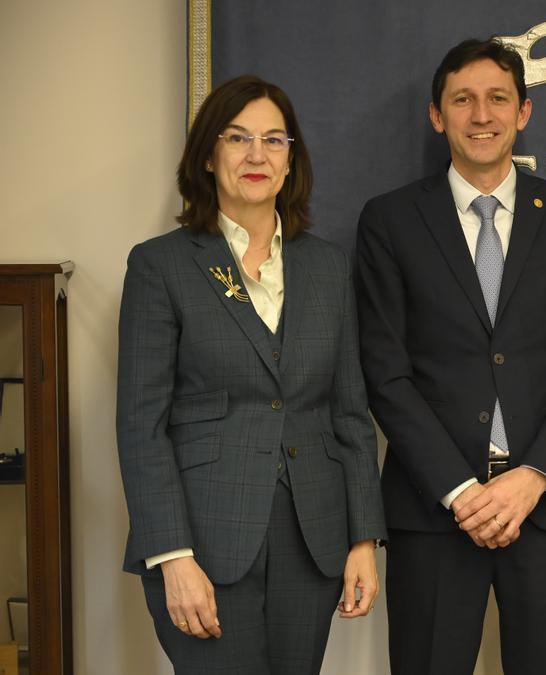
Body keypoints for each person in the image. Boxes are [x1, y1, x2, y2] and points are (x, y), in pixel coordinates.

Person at [355, 38, 546, 675]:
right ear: (436, 116)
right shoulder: (390, 222)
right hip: (435, 512)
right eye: (463, 100)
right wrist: (460, 491)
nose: (482, 115)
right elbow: (386, 373)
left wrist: (533, 478)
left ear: (523, 112)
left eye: (498, 99)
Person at [116, 75, 386, 674]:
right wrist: (172, 555)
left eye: (273, 140)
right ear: (209, 156)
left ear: (292, 160)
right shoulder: (161, 265)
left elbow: (349, 413)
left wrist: (364, 538)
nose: (256, 155)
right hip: (204, 542)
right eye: (237, 138)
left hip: (311, 536)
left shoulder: (327, 267)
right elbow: (141, 425)